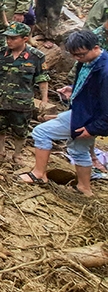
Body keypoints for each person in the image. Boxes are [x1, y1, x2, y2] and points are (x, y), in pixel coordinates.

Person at [20, 30, 108, 197]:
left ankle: (39, 174)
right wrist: (74, 90)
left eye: (80, 55)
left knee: (41, 132)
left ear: (96, 47)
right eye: (74, 55)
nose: (77, 59)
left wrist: (93, 128)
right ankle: (84, 188)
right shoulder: (89, 61)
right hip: (84, 112)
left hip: (88, 118)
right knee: (78, 150)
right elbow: (89, 88)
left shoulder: (105, 71)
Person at [0, 21, 49, 163]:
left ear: (25, 38)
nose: (9, 41)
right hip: (0, 99)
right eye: (7, 38)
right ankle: (1, 151)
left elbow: (42, 79)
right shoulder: (0, 54)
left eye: (13, 38)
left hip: (22, 101)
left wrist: (44, 99)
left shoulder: (36, 57)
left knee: (20, 130)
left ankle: (17, 154)